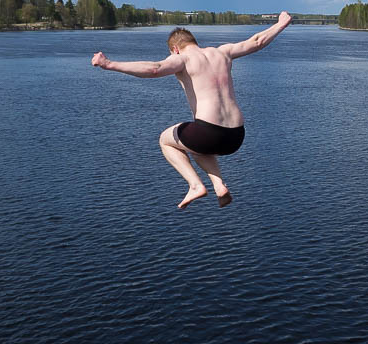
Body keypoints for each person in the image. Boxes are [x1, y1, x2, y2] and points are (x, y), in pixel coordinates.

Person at [91, 11, 292, 209]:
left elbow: (154, 68)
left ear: (175, 49)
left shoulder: (183, 59)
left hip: (208, 133)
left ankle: (195, 185)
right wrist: (280, 24)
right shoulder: (222, 52)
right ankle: (219, 185)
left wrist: (109, 64)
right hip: (237, 136)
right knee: (194, 145)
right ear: (194, 42)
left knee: (166, 141)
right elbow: (257, 42)